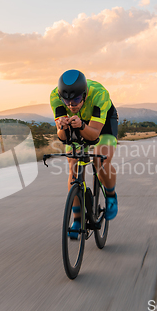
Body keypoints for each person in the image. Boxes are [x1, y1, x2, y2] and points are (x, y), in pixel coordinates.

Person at [50, 69, 119, 239]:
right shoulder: (55, 97)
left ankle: (110, 195)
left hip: (103, 124)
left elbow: (94, 134)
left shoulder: (99, 94)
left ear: (85, 94)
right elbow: (63, 138)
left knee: (100, 160)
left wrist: (81, 126)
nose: (71, 105)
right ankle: (77, 219)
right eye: (67, 101)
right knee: (73, 167)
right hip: (77, 123)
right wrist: (62, 127)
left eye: (76, 100)